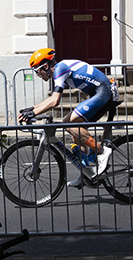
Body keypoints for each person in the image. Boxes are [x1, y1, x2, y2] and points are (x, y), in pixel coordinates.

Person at [19, 48, 119, 188]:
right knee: (76, 134)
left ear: (46, 66)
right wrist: (32, 109)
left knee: (68, 123)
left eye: (37, 70)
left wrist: (33, 113)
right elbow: (52, 99)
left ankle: (101, 151)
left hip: (103, 91)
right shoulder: (59, 70)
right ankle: (86, 172)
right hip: (100, 92)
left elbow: (55, 101)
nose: (37, 75)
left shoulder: (60, 68)